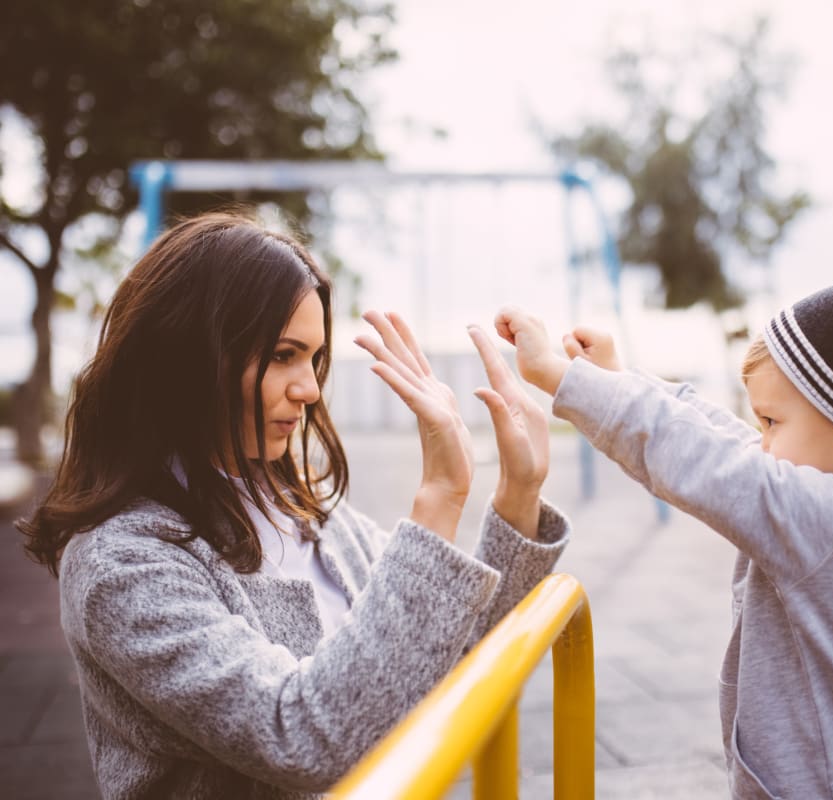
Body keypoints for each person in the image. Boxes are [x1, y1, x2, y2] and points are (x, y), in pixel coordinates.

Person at [17, 211, 568, 799]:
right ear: (187, 355)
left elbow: (447, 653)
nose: (308, 389)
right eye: (283, 355)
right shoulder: (120, 563)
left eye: (313, 359)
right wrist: (439, 499)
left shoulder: (311, 517)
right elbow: (301, 737)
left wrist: (518, 495)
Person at [493, 244, 833, 800]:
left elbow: (707, 460)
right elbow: (727, 439)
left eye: (773, 420)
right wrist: (618, 378)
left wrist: (563, 380)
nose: (763, 440)